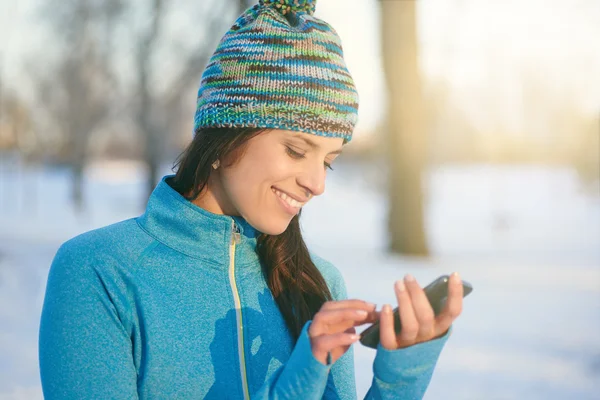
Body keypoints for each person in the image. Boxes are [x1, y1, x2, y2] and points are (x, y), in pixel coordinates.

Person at [38, 0, 464, 398]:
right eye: (296, 151)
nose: (317, 184)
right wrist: (297, 384)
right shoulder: (98, 272)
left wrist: (402, 374)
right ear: (226, 142)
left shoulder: (318, 285)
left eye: (328, 161)